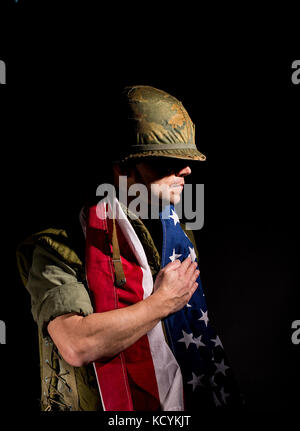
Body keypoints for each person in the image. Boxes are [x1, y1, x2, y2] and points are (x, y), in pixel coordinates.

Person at [16, 85, 242, 411]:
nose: (186, 170)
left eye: (186, 161)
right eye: (167, 162)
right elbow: (78, 343)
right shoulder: (60, 246)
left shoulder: (177, 233)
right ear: (121, 168)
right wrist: (161, 303)